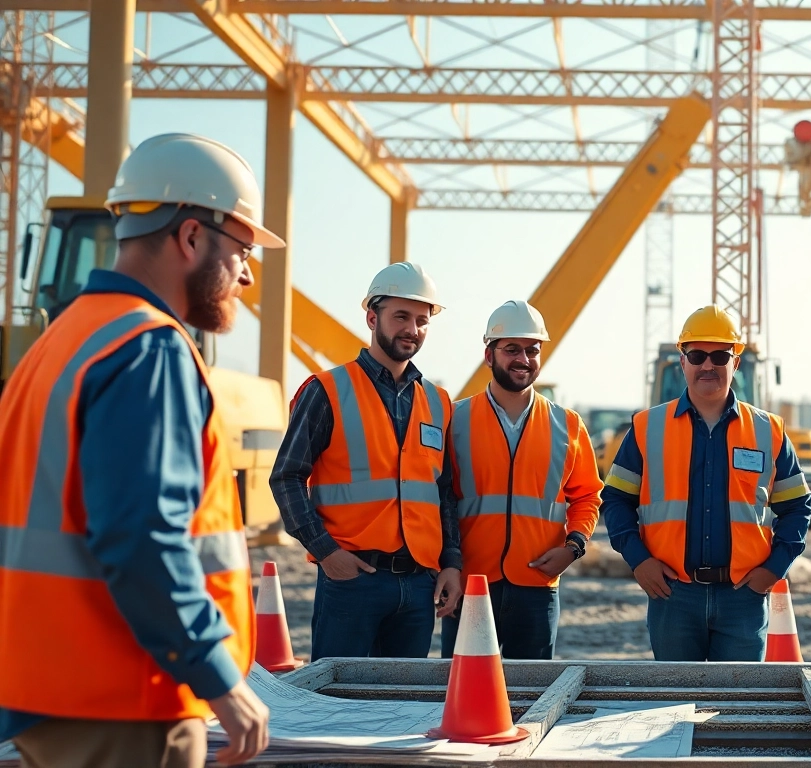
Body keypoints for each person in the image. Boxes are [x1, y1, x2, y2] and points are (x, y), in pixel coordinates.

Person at [0, 133, 274, 767]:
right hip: (125, 697)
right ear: (192, 237)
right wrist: (217, 676)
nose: (246, 274)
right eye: (242, 249)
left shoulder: (58, 344)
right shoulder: (148, 349)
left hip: (46, 693)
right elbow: (142, 537)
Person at [270, 262, 462, 662]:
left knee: (402, 697)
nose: (412, 329)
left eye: (422, 321)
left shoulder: (439, 401)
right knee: (337, 695)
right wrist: (326, 552)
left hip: (419, 584)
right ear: (372, 318)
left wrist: (451, 563)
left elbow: (443, 492)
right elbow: (287, 476)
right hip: (352, 580)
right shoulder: (327, 390)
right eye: (401, 317)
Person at [600, 306, 811, 661]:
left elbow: (797, 507)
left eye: (720, 356)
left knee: (739, 697)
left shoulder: (769, 431)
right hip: (673, 596)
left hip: (743, 599)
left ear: (736, 363)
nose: (708, 366)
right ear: (682, 362)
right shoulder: (646, 427)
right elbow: (616, 500)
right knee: (676, 695)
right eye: (697, 355)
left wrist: (773, 570)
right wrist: (638, 560)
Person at [440, 300, 604, 659]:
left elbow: (588, 495)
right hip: (471, 584)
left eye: (532, 350)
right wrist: (446, 566)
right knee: (463, 686)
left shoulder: (567, 425)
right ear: (489, 355)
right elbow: (440, 499)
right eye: (512, 349)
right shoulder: (455, 420)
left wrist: (573, 547)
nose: (523, 359)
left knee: (531, 690)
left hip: (537, 585)